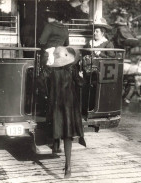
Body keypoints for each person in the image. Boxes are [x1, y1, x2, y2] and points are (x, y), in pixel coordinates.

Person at [46, 46, 86, 178]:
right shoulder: (72, 69)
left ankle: (55, 145)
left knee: (57, 127)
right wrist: (81, 76)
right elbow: (80, 83)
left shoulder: (52, 72)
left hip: (57, 104)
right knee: (68, 135)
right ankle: (68, 166)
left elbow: (42, 83)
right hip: (69, 105)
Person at [38, 8, 70, 155]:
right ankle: (57, 141)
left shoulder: (49, 26)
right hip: (61, 59)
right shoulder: (65, 29)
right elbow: (67, 43)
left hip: (50, 58)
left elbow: (41, 41)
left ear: (53, 17)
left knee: (41, 82)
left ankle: (42, 100)